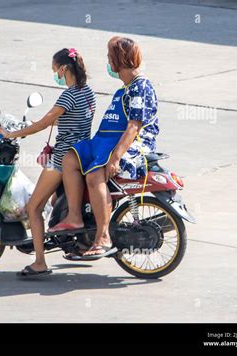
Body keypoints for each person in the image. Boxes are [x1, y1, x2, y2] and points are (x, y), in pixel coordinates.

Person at [49, 36, 160, 260]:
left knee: (93, 175)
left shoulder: (141, 87)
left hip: (132, 144)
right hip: (104, 142)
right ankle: (75, 218)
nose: (108, 62)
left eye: (110, 58)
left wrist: (116, 158)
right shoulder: (124, 89)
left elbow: (133, 128)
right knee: (70, 159)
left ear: (120, 60)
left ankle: (103, 237)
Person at [0, 48, 96, 276]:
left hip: (62, 158)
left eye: (54, 70)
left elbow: (44, 124)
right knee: (51, 201)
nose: (55, 75)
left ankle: (39, 262)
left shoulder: (68, 95)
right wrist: (33, 122)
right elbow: (68, 120)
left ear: (63, 69)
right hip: (83, 152)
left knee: (34, 207)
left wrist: (11, 135)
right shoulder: (87, 92)